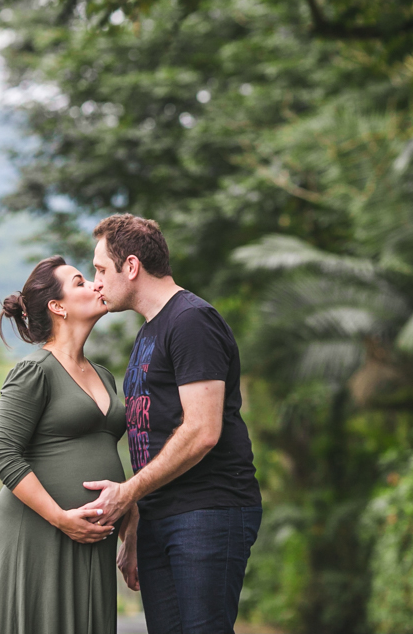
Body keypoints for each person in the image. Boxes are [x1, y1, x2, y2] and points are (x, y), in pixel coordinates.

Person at [81, 213, 263, 634]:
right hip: (162, 516)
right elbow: (154, 441)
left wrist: (127, 494)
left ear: (131, 266)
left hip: (208, 510)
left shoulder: (191, 321)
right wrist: (136, 529)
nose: (96, 282)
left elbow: (202, 431)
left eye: (101, 269)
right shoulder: (149, 332)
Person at [0, 255, 135, 634]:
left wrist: (131, 524)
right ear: (57, 306)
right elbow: (2, 455)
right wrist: (61, 519)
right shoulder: (34, 371)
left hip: (90, 539)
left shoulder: (104, 375)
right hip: (38, 533)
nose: (97, 285)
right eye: (81, 282)